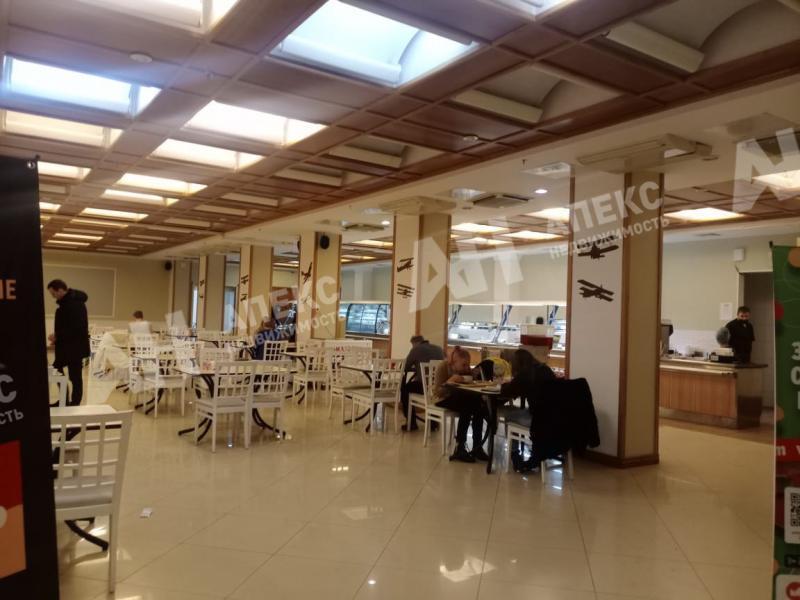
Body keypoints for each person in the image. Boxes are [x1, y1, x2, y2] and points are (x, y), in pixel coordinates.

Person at [433, 346, 489, 463]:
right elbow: (437, 392)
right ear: (454, 363)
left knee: (476, 403)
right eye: (464, 365)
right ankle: (462, 447)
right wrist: (450, 381)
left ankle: (475, 446)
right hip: (443, 399)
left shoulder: (464, 370)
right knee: (469, 404)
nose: (466, 367)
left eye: (468, 364)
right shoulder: (443, 367)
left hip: (460, 399)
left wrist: (473, 376)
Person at [47, 279, 89, 406]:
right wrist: (57, 338)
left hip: (74, 348)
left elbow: (77, 328)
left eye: (53, 293)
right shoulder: (67, 303)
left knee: (74, 376)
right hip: (68, 346)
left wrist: (57, 336)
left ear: (60, 290)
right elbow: (67, 325)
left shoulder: (75, 304)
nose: (53, 296)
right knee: (59, 370)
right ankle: (64, 400)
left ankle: (74, 403)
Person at [401, 335, 444, 431]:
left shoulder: (416, 349)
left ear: (415, 343)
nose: (412, 347)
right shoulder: (439, 349)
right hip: (438, 387)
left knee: (405, 389)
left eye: (412, 345)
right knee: (423, 387)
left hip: (425, 386)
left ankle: (411, 423)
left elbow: (405, 366)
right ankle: (434, 422)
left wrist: (414, 368)